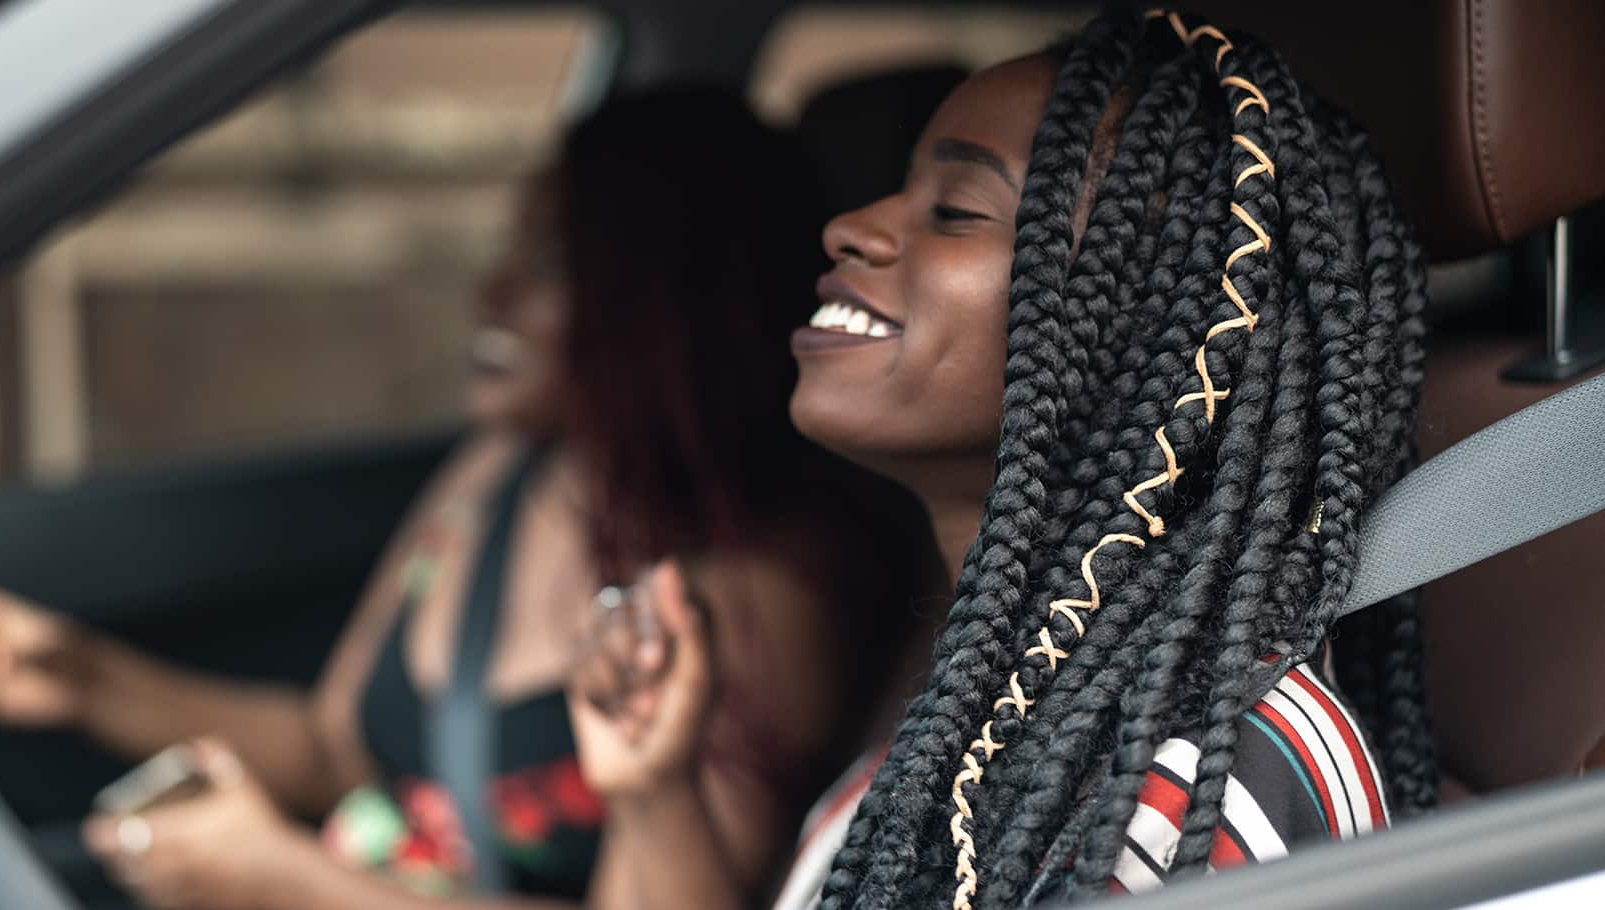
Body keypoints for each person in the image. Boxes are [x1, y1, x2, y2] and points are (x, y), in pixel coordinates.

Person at [0, 87, 937, 910]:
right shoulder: (498, 476)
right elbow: (337, 747)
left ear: (663, 295)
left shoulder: (757, 586)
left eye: (551, 260)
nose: (492, 293)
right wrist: (76, 675)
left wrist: (295, 885)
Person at [570, 9, 1437, 910]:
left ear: (1134, 329)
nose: (850, 227)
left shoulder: (1214, 778)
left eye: (956, 210)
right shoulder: (959, 742)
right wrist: (653, 796)